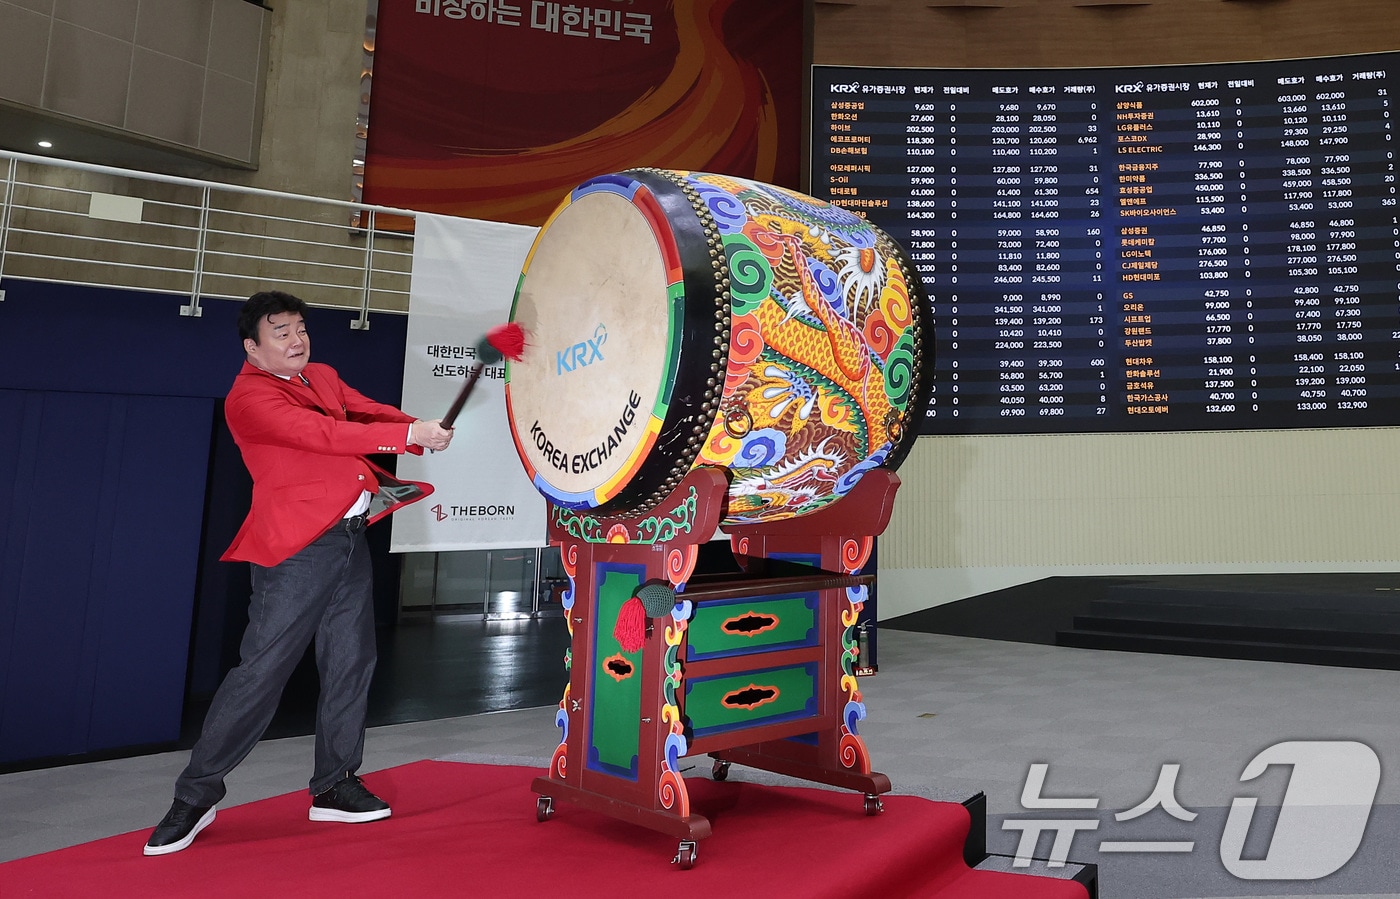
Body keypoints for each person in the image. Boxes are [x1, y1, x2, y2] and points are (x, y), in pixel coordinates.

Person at [144, 290, 454, 856]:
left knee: (351, 662)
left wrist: (417, 425)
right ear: (252, 348)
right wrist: (410, 436)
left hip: (349, 539)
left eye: (301, 329)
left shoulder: (322, 375)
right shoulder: (248, 399)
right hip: (296, 551)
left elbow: (361, 410)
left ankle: (334, 785)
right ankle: (195, 795)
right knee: (260, 672)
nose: (296, 340)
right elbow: (324, 436)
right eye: (281, 332)